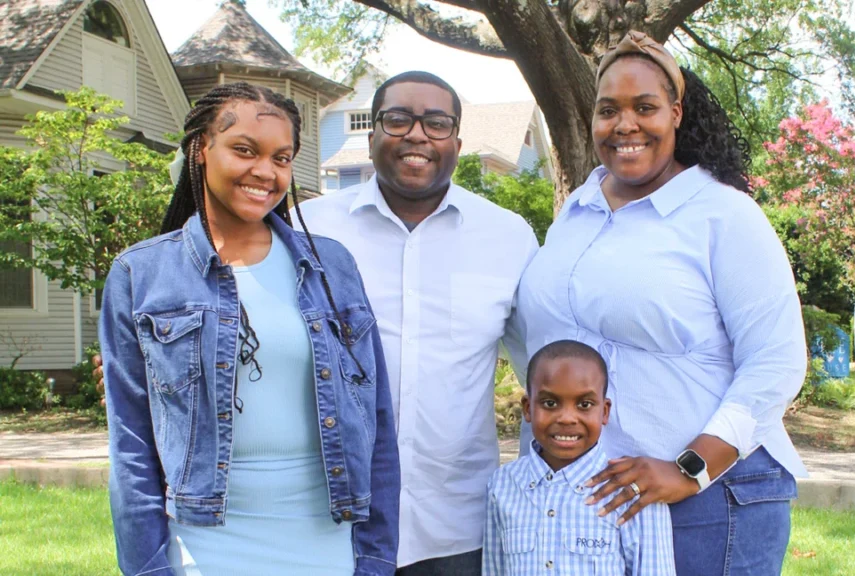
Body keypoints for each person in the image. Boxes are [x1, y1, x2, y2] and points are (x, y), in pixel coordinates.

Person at [514, 32, 807, 575]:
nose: (625, 125)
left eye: (644, 107)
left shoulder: (723, 214)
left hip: (713, 499)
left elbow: (776, 361)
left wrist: (689, 467)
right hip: (601, 501)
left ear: (675, 113)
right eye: (609, 110)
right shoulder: (574, 214)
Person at [100, 82, 399, 576]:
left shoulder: (333, 268)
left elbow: (378, 422)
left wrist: (375, 555)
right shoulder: (141, 275)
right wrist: (148, 567)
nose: (265, 171)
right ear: (201, 150)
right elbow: (130, 446)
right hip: (204, 543)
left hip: (325, 539)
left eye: (281, 158)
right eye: (244, 150)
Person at [295, 71, 539, 575]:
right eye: (398, 119)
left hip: (457, 528)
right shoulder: (309, 229)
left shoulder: (507, 237)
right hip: (329, 522)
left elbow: (545, 371)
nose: (417, 135)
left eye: (436, 123)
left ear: (458, 141)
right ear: (372, 134)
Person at [483, 340, 675, 576]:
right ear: (527, 408)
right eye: (550, 403)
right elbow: (494, 570)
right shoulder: (502, 485)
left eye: (584, 404)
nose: (566, 418)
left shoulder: (632, 491)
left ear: (604, 411)